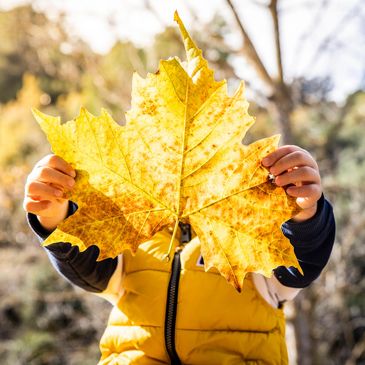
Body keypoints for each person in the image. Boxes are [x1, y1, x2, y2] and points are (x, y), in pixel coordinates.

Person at [24, 145, 335, 365]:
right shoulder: (133, 236)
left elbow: (300, 259)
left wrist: (304, 211)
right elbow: (84, 263)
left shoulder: (247, 234)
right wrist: (54, 215)